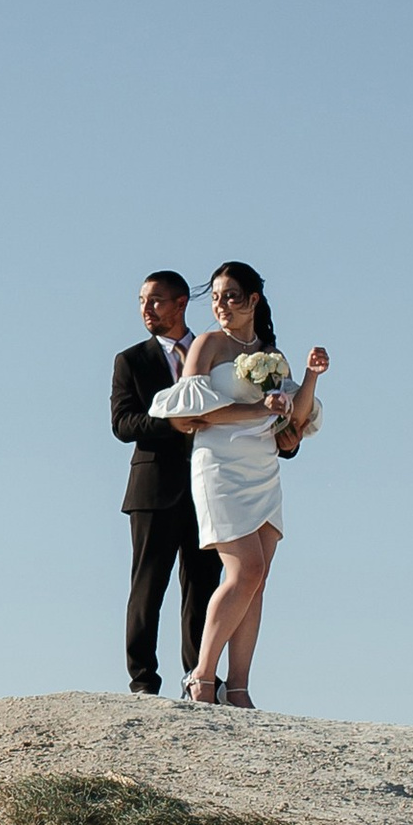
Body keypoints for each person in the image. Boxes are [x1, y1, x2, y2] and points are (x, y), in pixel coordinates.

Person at [147, 261, 328, 708]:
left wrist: (310, 377)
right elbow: (185, 414)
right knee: (243, 568)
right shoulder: (207, 344)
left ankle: (240, 687)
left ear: (253, 300)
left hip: (263, 466)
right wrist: (256, 413)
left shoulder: (271, 354)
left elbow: (296, 419)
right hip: (219, 465)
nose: (221, 305)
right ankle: (203, 677)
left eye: (230, 296)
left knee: (258, 577)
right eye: (215, 297)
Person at [110, 273, 215, 697]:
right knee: (148, 585)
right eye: (141, 301)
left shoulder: (214, 354)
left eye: (155, 301)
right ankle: (143, 682)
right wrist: (171, 423)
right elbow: (122, 424)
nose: (146, 309)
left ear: (181, 303)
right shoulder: (131, 360)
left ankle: (199, 678)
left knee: (204, 585)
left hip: (210, 486)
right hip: (153, 489)